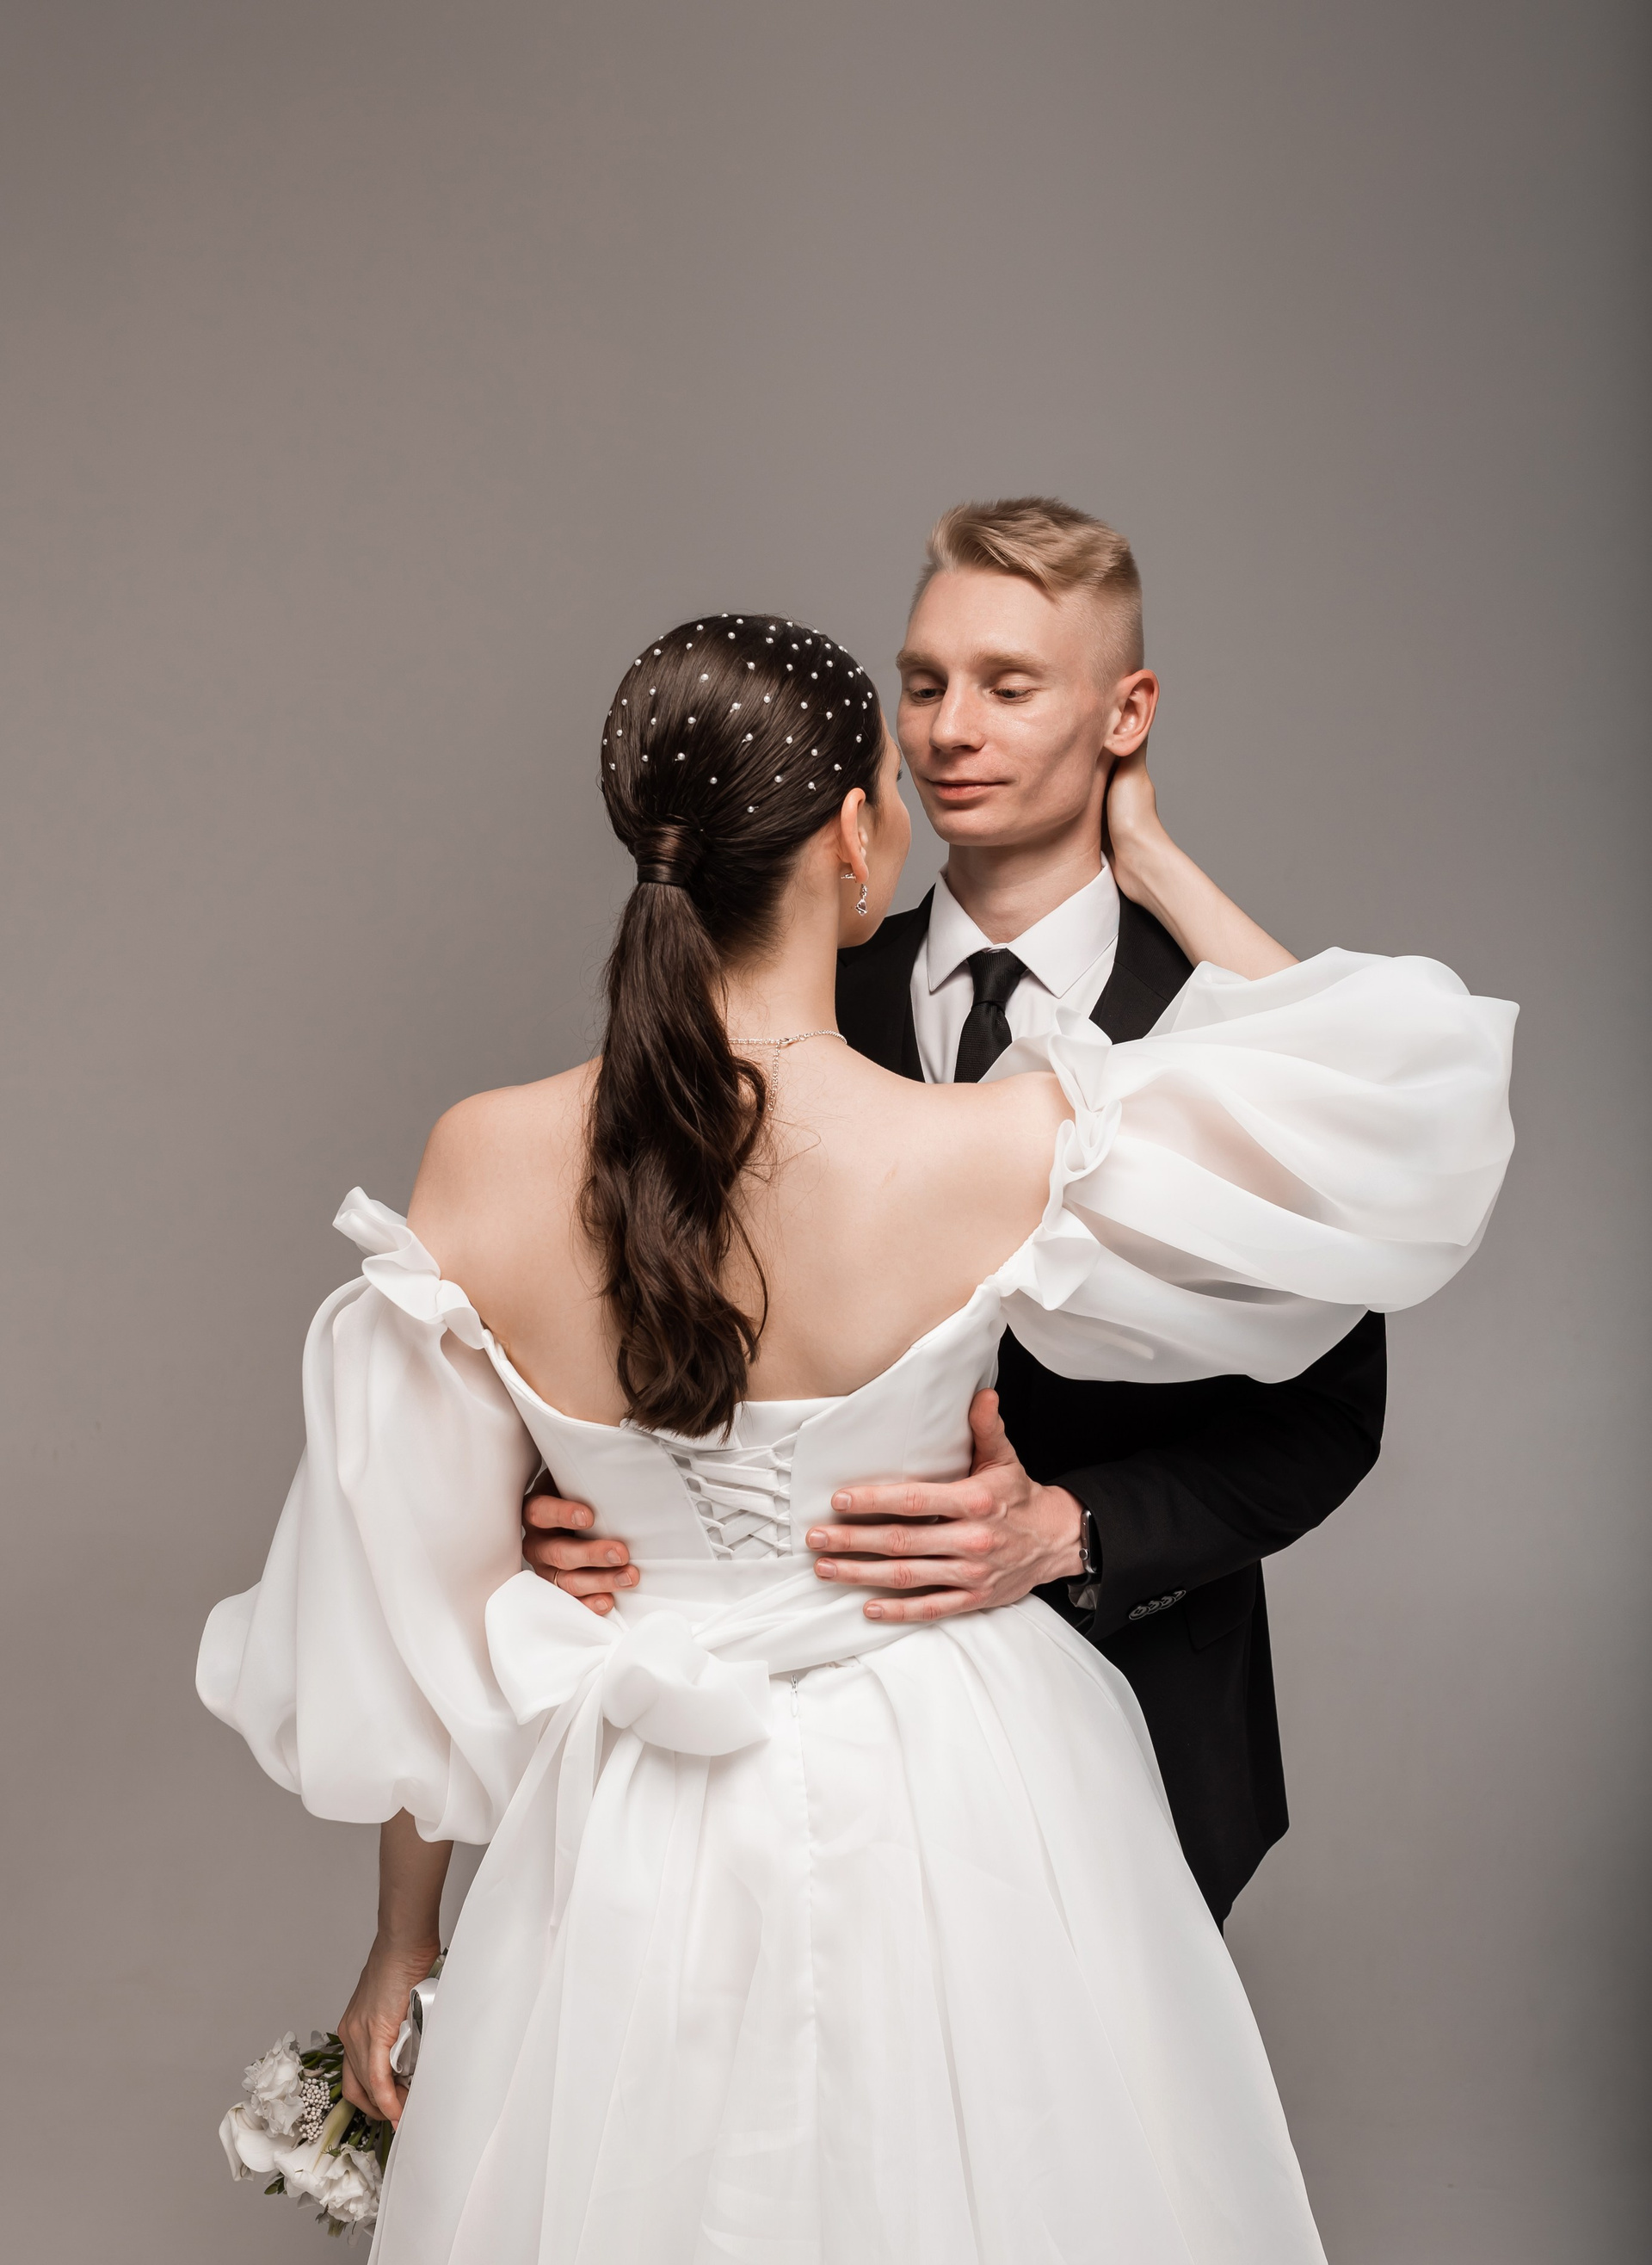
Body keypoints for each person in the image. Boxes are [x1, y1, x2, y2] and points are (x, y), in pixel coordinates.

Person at [200, 603, 1514, 2265]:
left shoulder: (480, 1160)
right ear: (854, 838)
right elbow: (1389, 1118)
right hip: (960, 1791)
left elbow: (414, 1613)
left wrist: (405, 1943)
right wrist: (1148, 852)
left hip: (628, 1821)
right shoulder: (985, 1149)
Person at [524, 501, 1389, 1923]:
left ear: (1128, 715)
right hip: (782, 1751)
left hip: (1146, 1712)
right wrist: (570, 1511)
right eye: (922, 684)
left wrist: (1070, 1530)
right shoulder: (782, 998)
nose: (947, 731)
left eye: (1009, 685)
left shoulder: (1218, 1028)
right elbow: (627, 1280)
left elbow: (1329, 1415)